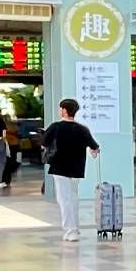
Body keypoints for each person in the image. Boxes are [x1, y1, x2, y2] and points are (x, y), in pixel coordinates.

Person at [42, 99, 101, 242]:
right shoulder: (82, 129)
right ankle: (75, 228)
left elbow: (44, 142)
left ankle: (70, 230)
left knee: (64, 199)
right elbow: (94, 146)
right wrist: (93, 151)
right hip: (76, 169)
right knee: (73, 197)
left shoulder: (56, 127)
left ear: (64, 110)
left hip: (59, 168)